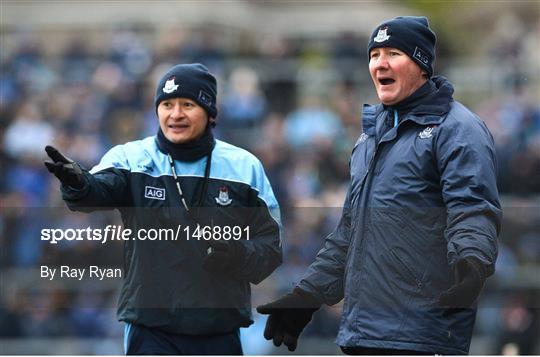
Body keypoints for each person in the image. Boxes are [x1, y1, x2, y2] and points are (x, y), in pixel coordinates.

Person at [257, 16, 501, 355]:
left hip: (423, 334)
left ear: (422, 64)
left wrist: (471, 264)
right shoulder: (370, 137)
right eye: (374, 55)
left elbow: (472, 208)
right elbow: (349, 234)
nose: (379, 63)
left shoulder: (458, 129)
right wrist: (306, 297)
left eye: (393, 53)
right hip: (363, 334)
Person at [45, 63, 282, 355]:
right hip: (151, 329)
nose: (175, 114)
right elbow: (96, 191)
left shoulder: (245, 167)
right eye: (167, 104)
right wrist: (78, 183)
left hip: (219, 328)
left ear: (210, 112)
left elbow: (271, 246)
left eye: (187, 104)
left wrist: (238, 254)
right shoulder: (131, 157)